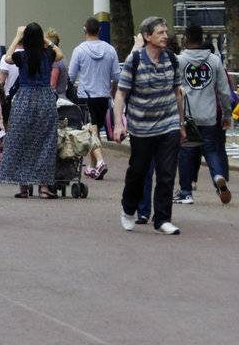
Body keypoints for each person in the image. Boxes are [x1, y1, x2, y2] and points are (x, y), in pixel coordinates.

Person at [114, 16, 186, 234]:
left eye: (166, 32)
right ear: (147, 36)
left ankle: (163, 219)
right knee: (138, 172)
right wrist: (119, 124)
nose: (165, 36)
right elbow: (121, 93)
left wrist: (181, 124)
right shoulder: (134, 60)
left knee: (166, 174)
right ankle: (128, 209)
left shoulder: (172, 60)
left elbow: (177, 93)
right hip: (141, 128)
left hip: (168, 125)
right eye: (160, 32)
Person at [0, 23, 61, 200]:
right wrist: (46, 40)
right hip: (45, 99)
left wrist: (17, 37)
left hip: (24, 99)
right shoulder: (48, 54)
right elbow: (60, 54)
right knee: (46, 142)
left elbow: (7, 57)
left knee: (21, 140)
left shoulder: (21, 56)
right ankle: (44, 187)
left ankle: (24, 187)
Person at [174, 24, 232, 204]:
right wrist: (226, 114)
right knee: (211, 150)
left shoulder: (179, 61)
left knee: (186, 152)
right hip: (209, 115)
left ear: (185, 38)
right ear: (202, 38)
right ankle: (218, 177)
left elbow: (174, 90)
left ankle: (185, 192)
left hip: (187, 116)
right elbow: (224, 91)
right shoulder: (214, 60)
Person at [68, 16, 119, 179]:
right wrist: (112, 90)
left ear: (84, 30)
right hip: (103, 96)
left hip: (85, 95)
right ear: (100, 30)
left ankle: (100, 161)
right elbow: (117, 76)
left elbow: (71, 75)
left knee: (90, 131)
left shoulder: (79, 50)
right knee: (95, 130)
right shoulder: (110, 50)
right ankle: (92, 166)